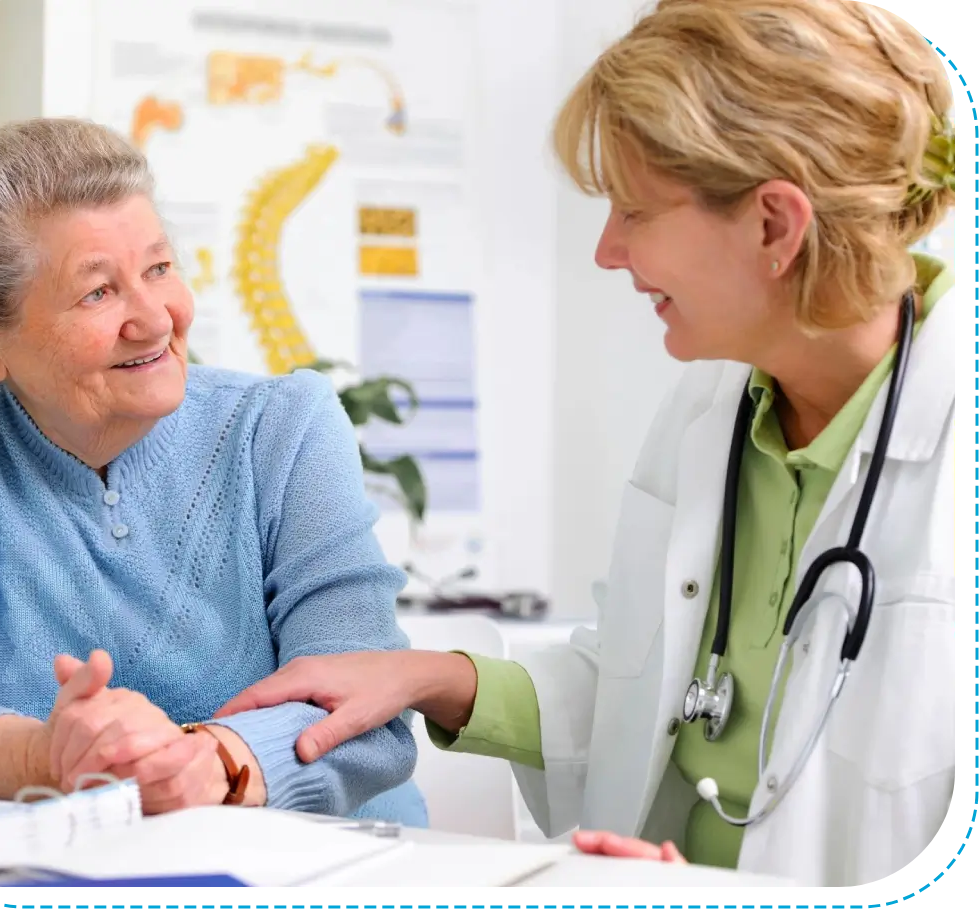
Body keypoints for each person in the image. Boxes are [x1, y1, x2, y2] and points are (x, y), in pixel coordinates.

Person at [215, 0, 972, 887]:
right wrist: (427, 675)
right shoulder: (715, 406)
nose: (609, 251)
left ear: (774, 224)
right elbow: (642, 691)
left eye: (636, 211)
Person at [0, 117, 426, 826]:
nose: (154, 318)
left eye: (159, 269)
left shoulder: (284, 426)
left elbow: (366, 703)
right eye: (97, 292)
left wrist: (211, 765)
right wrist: (44, 757)